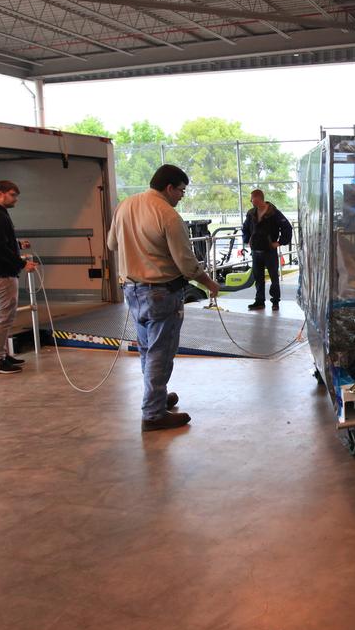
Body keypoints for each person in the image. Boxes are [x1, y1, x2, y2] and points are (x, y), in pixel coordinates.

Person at [107, 165, 221, 431]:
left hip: (132, 290)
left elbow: (112, 244)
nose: (181, 195)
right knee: (161, 352)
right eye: (181, 190)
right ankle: (154, 414)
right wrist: (209, 283)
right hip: (161, 292)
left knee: (147, 349)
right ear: (169, 188)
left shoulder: (125, 206)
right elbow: (186, 264)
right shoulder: (168, 215)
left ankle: (156, 398)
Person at [0, 180, 36, 375]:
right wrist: (22, 264)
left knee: (4, 318)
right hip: (0, 276)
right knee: (2, 319)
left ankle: (1, 355)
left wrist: (17, 245)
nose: (15, 199)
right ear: (0, 193)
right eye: (12, 195)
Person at [240, 188, 293, 311]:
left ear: (258, 198)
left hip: (269, 251)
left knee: (274, 277)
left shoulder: (274, 213)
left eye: (252, 199)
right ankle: (259, 301)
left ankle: (275, 302)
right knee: (258, 278)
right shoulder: (251, 213)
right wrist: (247, 239)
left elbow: (287, 227)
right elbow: (245, 228)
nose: (251, 201)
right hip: (256, 251)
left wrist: (279, 242)